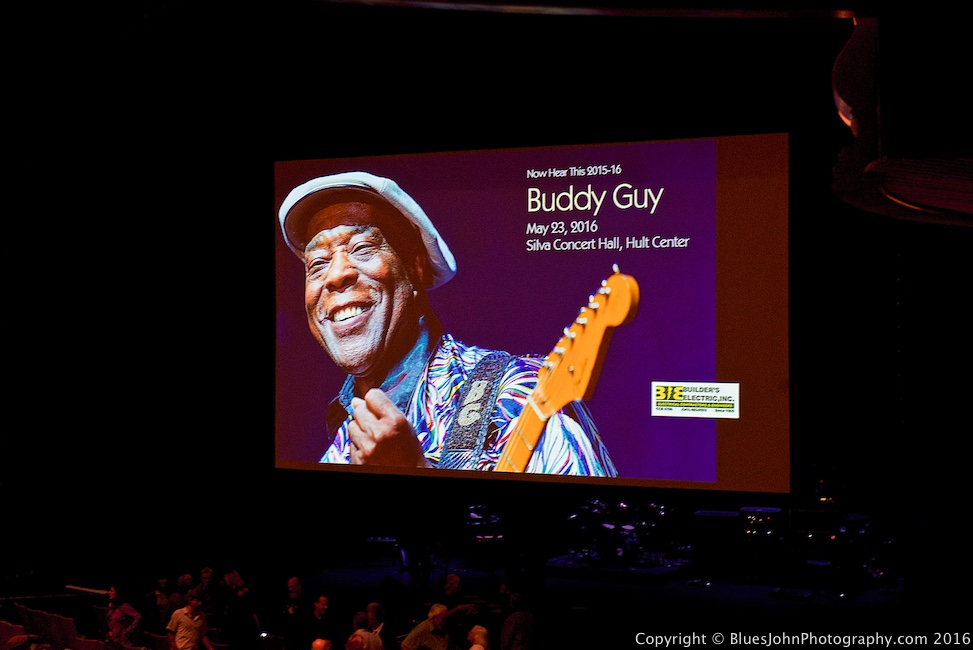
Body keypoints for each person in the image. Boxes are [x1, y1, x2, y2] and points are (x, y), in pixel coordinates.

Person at [277, 171, 617, 475]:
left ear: (416, 269)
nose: (336, 275)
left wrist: (415, 472)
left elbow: (600, 542)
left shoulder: (524, 394)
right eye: (317, 263)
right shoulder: (336, 448)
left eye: (364, 247)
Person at [221, 570, 262, 650]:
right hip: (234, 633)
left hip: (244, 632)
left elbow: (252, 611)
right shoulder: (229, 592)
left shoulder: (244, 592)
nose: (225, 579)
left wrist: (259, 628)